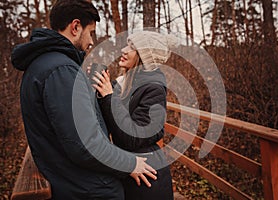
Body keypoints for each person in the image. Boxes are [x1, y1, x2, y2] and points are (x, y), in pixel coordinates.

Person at [11, 1, 157, 199]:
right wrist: (129, 163)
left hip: (70, 178)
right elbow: (85, 143)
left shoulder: (50, 64)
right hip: (88, 188)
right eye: (91, 33)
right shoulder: (61, 70)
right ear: (76, 27)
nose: (91, 42)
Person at [92, 31, 175, 200]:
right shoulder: (124, 83)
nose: (123, 49)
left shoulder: (154, 88)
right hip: (129, 167)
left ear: (144, 55)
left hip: (147, 176)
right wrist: (97, 87)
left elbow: (133, 136)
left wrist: (108, 96)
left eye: (131, 47)